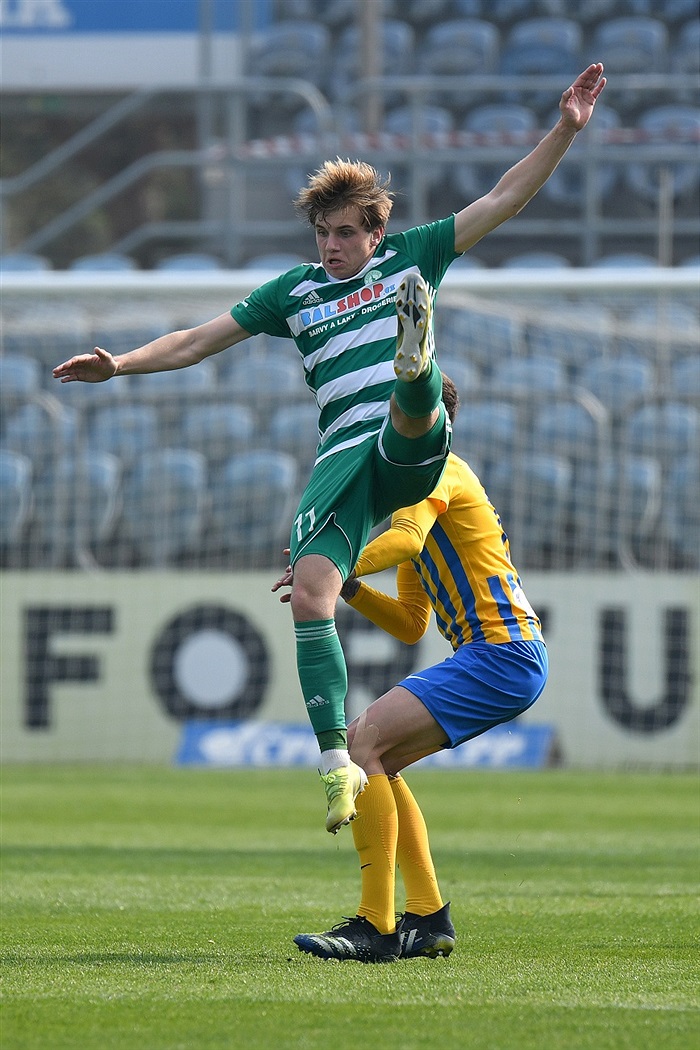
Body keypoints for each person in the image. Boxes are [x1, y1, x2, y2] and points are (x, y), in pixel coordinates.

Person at [53, 64, 605, 834]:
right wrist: (119, 365)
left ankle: (415, 364)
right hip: (343, 458)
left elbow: (503, 197)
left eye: (347, 233)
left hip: (407, 441)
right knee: (312, 594)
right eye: (323, 233)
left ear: (375, 233)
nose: (333, 245)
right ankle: (336, 763)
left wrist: (565, 131)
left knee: (410, 408)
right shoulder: (294, 293)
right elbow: (196, 340)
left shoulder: (413, 252)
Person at [276, 375, 548, 963]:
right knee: (378, 756)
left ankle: (375, 927)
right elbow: (410, 623)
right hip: (500, 655)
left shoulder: (438, 470)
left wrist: (333, 563)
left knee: (361, 743)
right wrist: (348, 588)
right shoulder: (418, 495)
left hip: (501, 651)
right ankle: (426, 917)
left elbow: (403, 541)